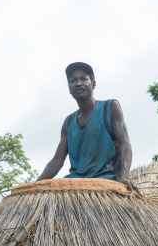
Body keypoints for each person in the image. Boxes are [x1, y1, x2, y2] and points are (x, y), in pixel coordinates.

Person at [37, 62, 138, 191]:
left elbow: (125, 143)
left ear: (93, 84)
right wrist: (34, 184)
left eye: (83, 79)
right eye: (73, 80)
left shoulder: (110, 107)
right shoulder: (68, 122)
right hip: (75, 183)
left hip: (105, 180)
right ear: (69, 88)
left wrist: (124, 176)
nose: (78, 83)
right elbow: (57, 161)